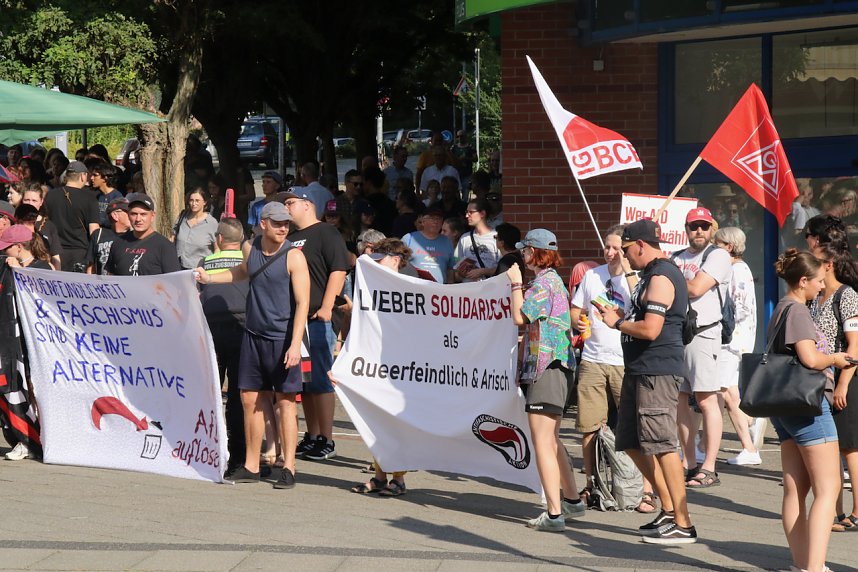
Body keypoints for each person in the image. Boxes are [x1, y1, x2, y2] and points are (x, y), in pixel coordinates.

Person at [194, 203, 310, 489]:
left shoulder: (294, 256)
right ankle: (251, 465)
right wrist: (210, 278)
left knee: (285, 403)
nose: (283, 228)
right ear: (263, 224)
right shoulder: (252, 248)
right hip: (253, 335)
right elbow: (241, 272)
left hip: (281, 338)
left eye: (286, 224)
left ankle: (289, 467)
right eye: (277, 223)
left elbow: (303, 303)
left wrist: (295, 345)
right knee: (249, 400)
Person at [598, 219, 697, 545]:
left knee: (663, 445)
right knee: (628, 439)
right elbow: (642, 319)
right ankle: (668, 509)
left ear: (640, 244)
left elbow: (652, 329)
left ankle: (683, 522)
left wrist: (617, 324)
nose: (625, 257)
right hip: (639, 369)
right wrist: (622, 316)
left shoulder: (662, 276)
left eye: (627, 251)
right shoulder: (648, 276)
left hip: (657, 371)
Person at [768, 249, 852, 571]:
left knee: (795, 489)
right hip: (807, 407)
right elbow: (810, 359)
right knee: (828, 489)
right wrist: (835, 358)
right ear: (803, 281)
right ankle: (813, 567)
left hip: (783, 407)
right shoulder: (799, 311)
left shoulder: (781, 309)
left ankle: (801, 563)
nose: (822, 286)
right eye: (818, 281)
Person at [507, 228, 584, 532]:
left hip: (545, 367)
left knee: (542, 442)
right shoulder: (553, 282)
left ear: (536, 252)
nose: (522, 256)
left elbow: (519, 317)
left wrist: (515, 284)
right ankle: (573, 501)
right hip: (557, 367)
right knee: (551, 440)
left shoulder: (542, 284)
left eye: (525, 251)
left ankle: (554, 513)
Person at [569, 225, 648, 505]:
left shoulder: (637, 279)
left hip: (624, 361)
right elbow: (576, 308)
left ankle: (644, 488)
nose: (610, 252)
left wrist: (627, 273)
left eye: (616, 247)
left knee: (633, 426)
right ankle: (590, 483)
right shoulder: (592, 275)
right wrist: (576, 320)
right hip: (593, 359)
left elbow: (644, 312)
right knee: (589, 425)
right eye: (607, 246)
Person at [284, 190, 350, 462]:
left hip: (318, 317)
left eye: (290, 203)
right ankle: (311, 435)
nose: (286, 207)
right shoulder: (289, 238)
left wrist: (326, 306)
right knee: (306, 381)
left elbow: (339, 269)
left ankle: (327, 438)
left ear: (308, 205)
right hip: (298, 318)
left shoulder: (326, 232)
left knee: (321, 379)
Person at [349, 238, 418, 497]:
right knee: (378, 419)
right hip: (378, 362)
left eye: (382, 259)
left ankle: (398, 479)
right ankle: (380, 476)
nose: (377, 263)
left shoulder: (412, 282)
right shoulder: (375, 282)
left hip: (404, 365)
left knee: (395, 422)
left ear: (396, 260)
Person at [672, 207, 733, 489]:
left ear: (712, 229)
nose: (698, 231)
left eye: (704, 226)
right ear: (685, 229)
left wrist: (669, 278)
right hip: (677, 335)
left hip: (704, 333)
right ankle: (689, 462)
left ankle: (709, 466)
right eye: (693, 226)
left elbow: (696, 289)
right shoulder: (675, 257)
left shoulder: (717, 255)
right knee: (683, 401)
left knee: (708, 399)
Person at [806, 234, 858, 532]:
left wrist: (843, 385)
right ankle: (835, 511)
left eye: (815, 263)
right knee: (833, 446)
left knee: (851, 447)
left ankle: (856, 511)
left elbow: (855, 344)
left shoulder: (847, 295)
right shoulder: (816, 297)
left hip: (846, 378)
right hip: (822, 378)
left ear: (828, 265)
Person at [198, 218, 251, 475]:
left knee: (210, 394)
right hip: (243, 330)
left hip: (212, 332)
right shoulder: (248, 260)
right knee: (239, 398)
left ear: (218, 239)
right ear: (241, 239)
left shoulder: (206, 262)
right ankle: (239, 458)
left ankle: (206, 450)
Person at [711, 227, 763, 466]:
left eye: (718, 243)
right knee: (729, 391)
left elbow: (740, 308)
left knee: (725, 392)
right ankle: (749, 430)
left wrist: (719, 322)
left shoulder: (737, 270)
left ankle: (748, 445)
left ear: (729, 247)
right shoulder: (735, 269)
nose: (713, 246)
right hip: (733, 339)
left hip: (732, 340)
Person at [105, 193, 181, 276]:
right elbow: (110, 276)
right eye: (134, 214)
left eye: (143, 214)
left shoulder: (165, 246)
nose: (138, 219)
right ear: (128, 215)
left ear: (152, 216)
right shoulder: (118, 243)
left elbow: (174, 281)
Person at [43, 161, 100, 272]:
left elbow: (45, 223)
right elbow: (94, 231)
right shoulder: (90, 198)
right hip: (81, 253)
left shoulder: (51, 195)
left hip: (55, 253)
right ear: (83, 176)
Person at [401, 207, 454, 284]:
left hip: (438, 291)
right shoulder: (408, 238)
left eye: (439, 219)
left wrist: (450, 288)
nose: (436, 222)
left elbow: (450, 269)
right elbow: (397, 262)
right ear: (423, 221)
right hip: (413, 289)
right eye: (432, 218)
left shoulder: (447, 242)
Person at [453, 198, 500, 282]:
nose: (467, 215)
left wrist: (482, 271)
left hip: (490, 290)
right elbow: (456, 269)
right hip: (468, 290)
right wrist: (462, 273)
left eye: (471, 212)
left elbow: (504, 269)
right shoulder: (464, 238)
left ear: (482, 213)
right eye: (466, 212)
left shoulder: (497, 237)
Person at [174, 188, 218, 270]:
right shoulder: (183, 216)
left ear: (204, 202)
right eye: (191, 200)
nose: (194, 203)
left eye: (197, 200)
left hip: (200, 270)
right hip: (179, 267)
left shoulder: (212, 223)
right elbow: (172, 237)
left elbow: (217, 248)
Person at [87, 198, 130, 275]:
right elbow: (91, 267)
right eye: (128, 212)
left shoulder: (134, 237)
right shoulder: (99, 234)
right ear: (115, 215)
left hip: (125, 285)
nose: (132, 215)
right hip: (103, 285)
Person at [89, 162, 123, 227]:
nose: (92, 178)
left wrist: (94, 220)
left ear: (105, 178)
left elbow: (115, 220)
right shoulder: (98, 196)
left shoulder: (117, 197)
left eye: (95, 175)